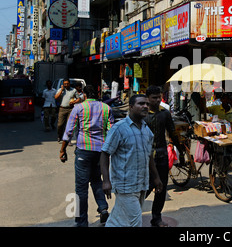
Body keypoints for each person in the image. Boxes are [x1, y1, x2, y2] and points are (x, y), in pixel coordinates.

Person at [100, 94, 162, 227]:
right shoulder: (119, 128)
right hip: (125, 185)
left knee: (118, 219)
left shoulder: (147, 130)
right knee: (135, 222)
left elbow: (149, 155)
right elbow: (105, 153)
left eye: (146, 104)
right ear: (131, 107)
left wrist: (156, 178)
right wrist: (106, 180)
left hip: (141, 183)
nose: (145, 106)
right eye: (141, 104)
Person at [59, 85, 114, 227]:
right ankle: (103, 208)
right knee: (96, 180)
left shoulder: (79, 108)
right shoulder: (106, 108)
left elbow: (69, 131)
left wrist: (62, 150)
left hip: (83, 151)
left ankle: (81, 222)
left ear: (84, 94)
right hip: (101, 152)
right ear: (97, 94)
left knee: (81, 189)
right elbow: (111, 131)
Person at [143, 86, 181, 227]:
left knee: (161, 187)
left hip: (162, 154)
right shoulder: (142, 113)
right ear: (147, 98)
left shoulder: (165, 114)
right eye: (154, 98)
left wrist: (180, 150)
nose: (158, 100)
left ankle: (156, 218)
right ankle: (131, 213)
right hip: (145, 156)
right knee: (146, 186)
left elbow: (172, 132)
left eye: (159, 97)